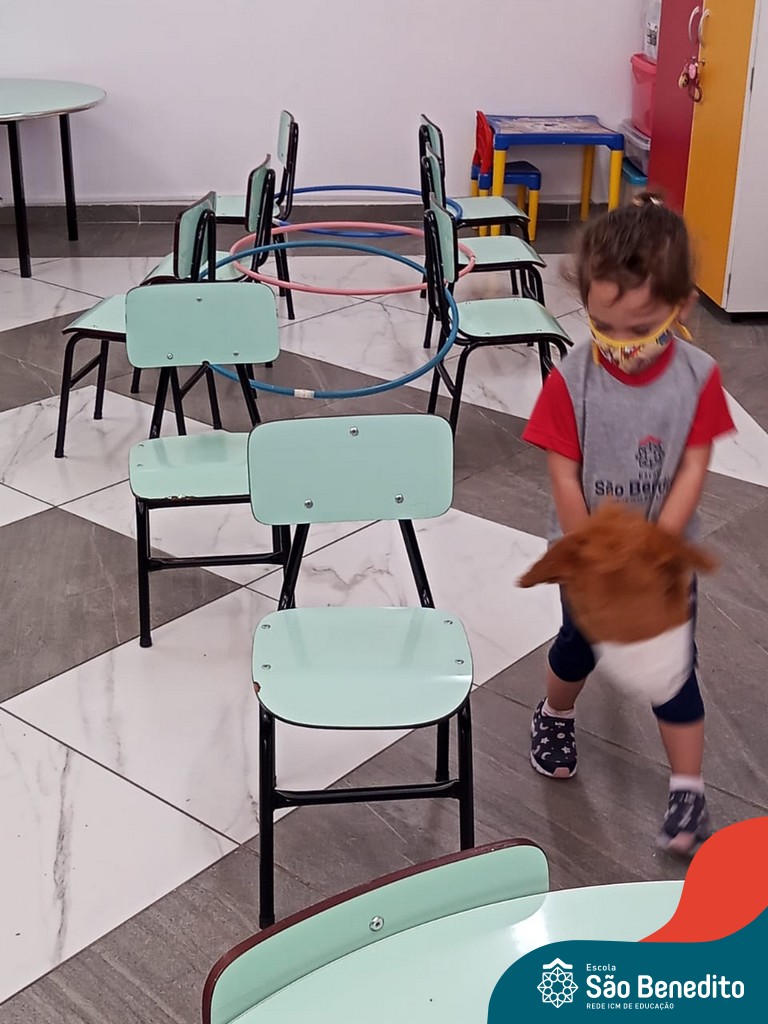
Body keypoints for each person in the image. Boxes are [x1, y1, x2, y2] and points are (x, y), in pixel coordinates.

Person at [522, 194, 735, 854]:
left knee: (676, 671)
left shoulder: (698, 378)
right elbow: (564, 473)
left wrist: (659, 544)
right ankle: (555, 712)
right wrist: (590, 549)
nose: (620, 347)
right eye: (602, 326)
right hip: (590, 560)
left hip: (664, 563)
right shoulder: (572, 378)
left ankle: (688, 790)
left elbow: (693, 465)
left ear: (681, 308)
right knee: (576, 648)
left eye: (639, 329)